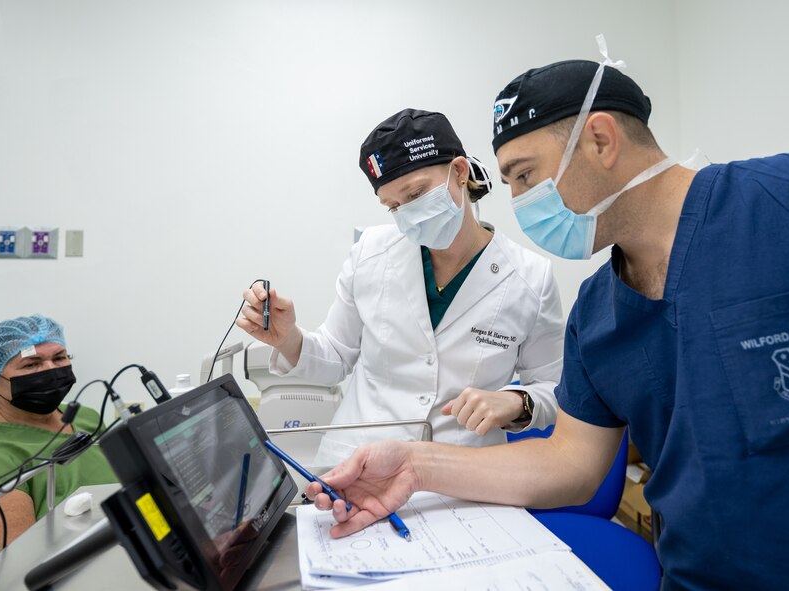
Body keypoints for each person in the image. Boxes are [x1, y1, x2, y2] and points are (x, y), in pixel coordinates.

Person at [306, 48, 789, 590]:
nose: (518, 202)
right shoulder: (598, 314)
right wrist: (414, 466)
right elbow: (571, 464)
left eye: (525, 175)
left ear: (601, 140)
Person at [236, 108, 565, 465]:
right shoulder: (370, 252)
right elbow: (336, 357)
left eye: (415, 194)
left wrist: (518, 402)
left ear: (458, 172)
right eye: (393, 206)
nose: (406, 215)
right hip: (360, 461)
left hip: (462, 472)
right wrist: (288, 339)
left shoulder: (531, 277)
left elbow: (552, 388)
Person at [0, 315, 117, 581]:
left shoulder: (85, 417)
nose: (50, 370)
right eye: (31, 364)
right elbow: (16, 578)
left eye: (59, 358)